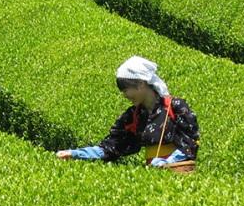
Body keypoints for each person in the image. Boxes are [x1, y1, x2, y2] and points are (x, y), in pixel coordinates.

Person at [56, 56, 200, 168]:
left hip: (178, 171)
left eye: (126, 90)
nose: (125, 95)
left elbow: (190, 143)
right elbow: (111, 147)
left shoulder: (175, 107)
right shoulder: (133, 116)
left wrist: (168, 162)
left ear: (141, 84)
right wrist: (75, 154)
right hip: (154, 173)